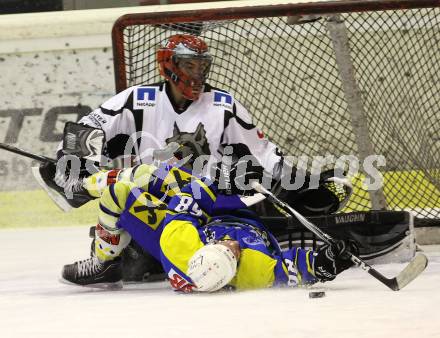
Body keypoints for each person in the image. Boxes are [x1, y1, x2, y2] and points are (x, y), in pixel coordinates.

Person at [38, 33, 350, 282]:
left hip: (206, 208)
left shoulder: (223, 106)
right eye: (189, 65)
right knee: (126, 217)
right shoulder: (139, 100)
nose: (197, 73)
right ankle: (108, 260)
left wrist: (305, 184)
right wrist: (74, 159)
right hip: (157, 201)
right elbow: (89, 127)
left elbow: (265, 157)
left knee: (216, 258)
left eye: (202, 66)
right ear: (169, 65)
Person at [61, 163, 358, 291]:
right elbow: (294, 269)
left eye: (224, 248)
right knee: (239, 174)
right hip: (237, 215)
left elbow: (187, 202)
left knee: (131, 185)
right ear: (234, 269)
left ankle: (103, 260)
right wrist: (327, 263)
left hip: (184, 225)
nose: (233, 245)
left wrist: (220, 183)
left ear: (204, 250)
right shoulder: (252, 270)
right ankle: (295, 190)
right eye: (233, 253)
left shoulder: (183, 246)